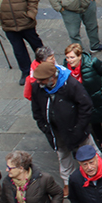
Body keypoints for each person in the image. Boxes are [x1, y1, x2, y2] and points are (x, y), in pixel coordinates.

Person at [29, 59, 96, 191]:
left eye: (41, 79)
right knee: (63, 156)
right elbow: (36, 110)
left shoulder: (71, 85)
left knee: (91, 152)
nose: (38, 82)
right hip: (56, 132)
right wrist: (45, 128)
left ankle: (98, 175)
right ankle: (68, 182)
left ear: (51, 78)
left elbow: (86, 106)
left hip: (77, 130)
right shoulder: (38, 88)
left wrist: (78, 129)